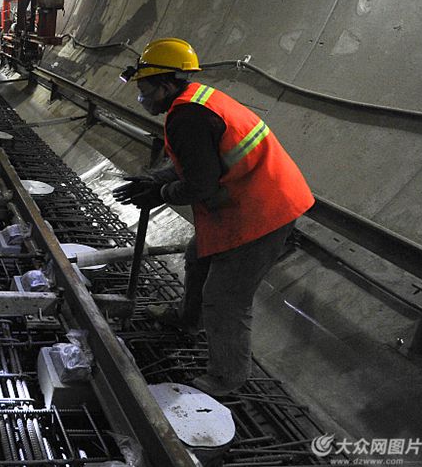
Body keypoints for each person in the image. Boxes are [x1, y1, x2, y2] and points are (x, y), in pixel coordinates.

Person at [113, 38, 314, 396]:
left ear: (167, 84)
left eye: (145, 89)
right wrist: (154, 179)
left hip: (263, 212)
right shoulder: (196, 100)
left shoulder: (187, 117)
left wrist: (158, 193)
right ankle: (188, 320)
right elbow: (196, 162)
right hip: (250, 198)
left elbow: (199, 185)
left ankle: (228, 376)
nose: (142, 98)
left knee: (225, 299)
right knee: (198, 258)